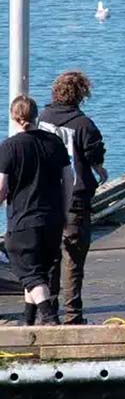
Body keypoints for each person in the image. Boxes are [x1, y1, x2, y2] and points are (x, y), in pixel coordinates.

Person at [37, 71, 107, 325]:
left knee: (51, 256)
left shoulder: (42, 119)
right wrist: (100, 169)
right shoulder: (83, 124)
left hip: (48, 195)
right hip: (76, 197)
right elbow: (95, 152)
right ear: (81, 94)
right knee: (74, 258)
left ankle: (49, 312)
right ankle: (73, 313)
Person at [0, 96, 73, 326]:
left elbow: (1, 188)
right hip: (52, 218)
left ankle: (50, 319)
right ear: (36, 116)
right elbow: (69, 180)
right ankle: (28, 323)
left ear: (13, 117)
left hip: (24, 220)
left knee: (29, 273)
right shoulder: (54, 142)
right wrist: (65, 211)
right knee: (38, 271)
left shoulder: (9, 147)